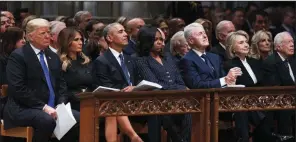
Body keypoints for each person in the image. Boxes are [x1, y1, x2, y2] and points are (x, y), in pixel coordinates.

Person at [3, 18, 79, 142]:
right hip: (24, 107)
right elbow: (18, 88)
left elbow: (61, 84)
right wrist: (43, 107)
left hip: (52, 107)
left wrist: (61, 103)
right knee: (46, 120)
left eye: (49, 33)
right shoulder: (18, 56)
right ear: (30, 37)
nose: (48, 36)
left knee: (78, 117)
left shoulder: (53, 56)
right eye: (43, 33)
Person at [136, 25, 191, 142]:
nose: (160, 43)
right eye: (156, 40)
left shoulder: (168, 57)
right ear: (147, 41)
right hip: (157, 102)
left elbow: (180, 82)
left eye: (161, 39)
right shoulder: (141, 60)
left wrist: (179, 89)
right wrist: (178, 88)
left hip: (176, 100)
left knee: (188, 113)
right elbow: (155, 85)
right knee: (165, 116)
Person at [92, 22, 143, 142]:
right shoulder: (102, 61)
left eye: (125, 31)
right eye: (120, 32)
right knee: (113, 106)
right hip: (114, 101)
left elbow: (138, 80)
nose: (126, 34)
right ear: (109, 38)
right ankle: (133, 136)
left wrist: (134, 88)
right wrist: (125, 91)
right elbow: (107, 87)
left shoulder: (131, 58)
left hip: (136, 100)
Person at [223, 30, 270, 142]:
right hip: (241, 102)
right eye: (241, 42)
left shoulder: (255, 62)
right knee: (243, 112)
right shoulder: (229, 64)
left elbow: (262, 82)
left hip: (258, 100)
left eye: (246, 42)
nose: (246, 45)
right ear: (233, 48)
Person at [179, 23, 242, 89]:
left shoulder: (215, 57)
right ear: (191, 41)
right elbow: (197, 85)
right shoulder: (187, 60)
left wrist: (231, 80)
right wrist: (225, 80)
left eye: (204, 33)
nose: (205, 36)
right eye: (200, 34)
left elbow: (224, 79)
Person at [262, 31, 296, 141]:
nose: (292, 44)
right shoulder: (270, 63)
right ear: (278, 47)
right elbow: (276, 87)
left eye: (292, 42)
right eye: (288, 42)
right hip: (280, 104)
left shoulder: (292, 60)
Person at [57, 27, 94, 111]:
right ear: (67, 42)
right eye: (76, 40)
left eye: (81, 39)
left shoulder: (86, 61)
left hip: (89, 99)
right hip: (71, 103)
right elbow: (62, 90)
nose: (80, 43)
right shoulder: (60, 62)